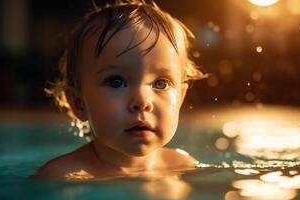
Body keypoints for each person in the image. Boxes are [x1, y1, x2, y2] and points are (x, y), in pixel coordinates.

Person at [31, 0, 206, 180]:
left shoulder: (184, 166)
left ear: (180, 98)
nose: (142, 101)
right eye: (116, 82)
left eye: (160, 83)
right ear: (79, 103)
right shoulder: (63, 176)